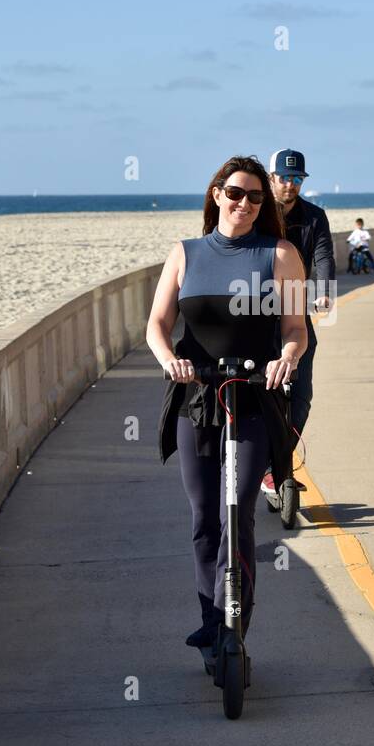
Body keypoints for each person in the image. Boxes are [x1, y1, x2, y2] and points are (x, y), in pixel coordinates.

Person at [147, 155, 308, 657]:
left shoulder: (280, 254)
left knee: (236, 513)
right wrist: (171, 359)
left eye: (256, 197)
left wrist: (288, 357)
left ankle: (231, 627)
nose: (245, 203)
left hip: (253, 399)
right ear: (216, 193)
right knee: (203, 519)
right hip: (197, 398)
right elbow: (156, 324)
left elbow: (296, 329)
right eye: (235, 193)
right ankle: (209, 621)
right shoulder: (185, 253)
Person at [263, 148, 336, 494]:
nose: (290, 185)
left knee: (302, 395)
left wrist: (323, 290)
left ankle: (275, 464)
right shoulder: (257, 211)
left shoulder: (314, 217)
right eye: (284, 178)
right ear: (271, 177)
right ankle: (258, 462)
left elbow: (323, 255)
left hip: (295, 310)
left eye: (297, 179)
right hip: (256, 312)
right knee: (261, 392)